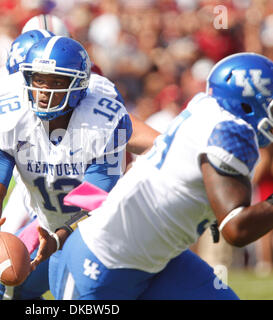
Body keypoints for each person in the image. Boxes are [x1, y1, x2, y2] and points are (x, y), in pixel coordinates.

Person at [49, 52, 273, 300]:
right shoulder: (230, 131)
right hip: (102, 263)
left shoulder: (206, 106)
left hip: (158, 258)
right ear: (246, 104)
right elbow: (236, 228)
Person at [0, 35, 133, 299]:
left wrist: (59, 237)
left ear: (79, 84)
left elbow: (96, 196)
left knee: (79, 297)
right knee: (6, 288)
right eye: (39, 80)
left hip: (103, 233)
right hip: (51, 229)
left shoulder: (104, 120)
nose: (45, 91)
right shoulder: (8, 116)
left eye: (57, 82)